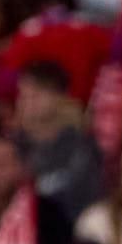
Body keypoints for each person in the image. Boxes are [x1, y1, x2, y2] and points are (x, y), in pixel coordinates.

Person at [15, 60, 105, 221]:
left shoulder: (82, 149)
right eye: (24, 94)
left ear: (61, 96)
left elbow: (92, 203)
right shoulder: (11, 147)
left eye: (37, 93)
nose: (28, 101)